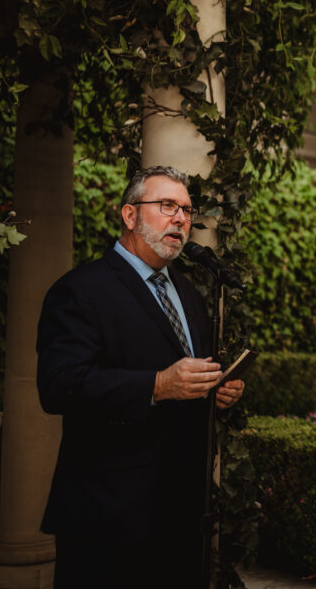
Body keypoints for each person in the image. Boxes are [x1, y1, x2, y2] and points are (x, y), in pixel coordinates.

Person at [36, 166, 244, 588]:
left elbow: (185, 380)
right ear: (129, 216)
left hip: (181, 512)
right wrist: (157, 385)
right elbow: (60, 386)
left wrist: (215, 391)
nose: (181, 218)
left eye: (186, 209)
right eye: (167, 205)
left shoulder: (189, 293)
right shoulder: (81, 289)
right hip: (107, 517)